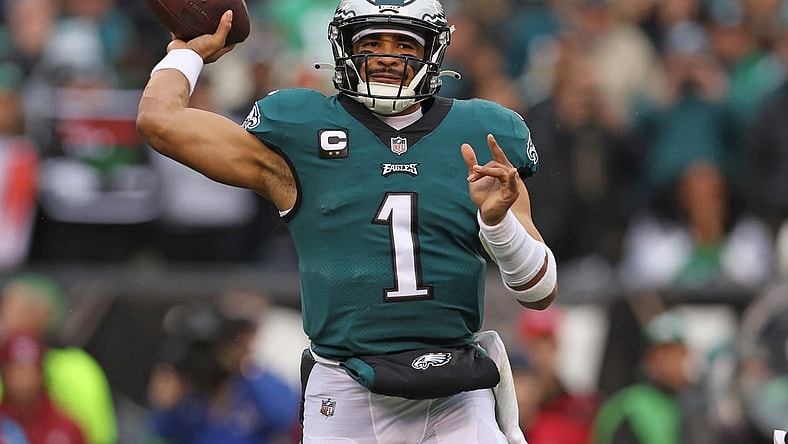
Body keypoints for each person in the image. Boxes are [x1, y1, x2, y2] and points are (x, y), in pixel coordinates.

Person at [135, 0, 559, 442]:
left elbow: (540, 292)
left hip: (455, 388)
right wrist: (187, 53)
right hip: (346, 388)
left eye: (405, 45)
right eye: (372, 43)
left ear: (433, 51)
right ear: (344, 47)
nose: (388, 57)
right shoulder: (302, 130)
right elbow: (159, 120)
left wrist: (498, 225)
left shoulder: (482, 134)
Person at [148, 304, 300, 444]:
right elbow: (162, 432)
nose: (207, 358)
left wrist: (246, 364)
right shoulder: (189, 394)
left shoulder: (252, 379)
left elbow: (285, 417)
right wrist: (165, 406)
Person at [0, 273, 118, 444]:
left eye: (10, 308)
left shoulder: (77, 368)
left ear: (40, 314)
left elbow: (98, 436)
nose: (4, 318)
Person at [591, 310, 715, 444]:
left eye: (675, 353)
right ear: (648, 359)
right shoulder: (631, 406)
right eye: (662, 355)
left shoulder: (693, 401)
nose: (670, 363)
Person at [0, 332, 86, 444]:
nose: (24, 379)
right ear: (4, 374)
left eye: (31, 371)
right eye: (15, 371)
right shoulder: (3, 424)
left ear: (41, 372)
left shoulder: (67, 428)